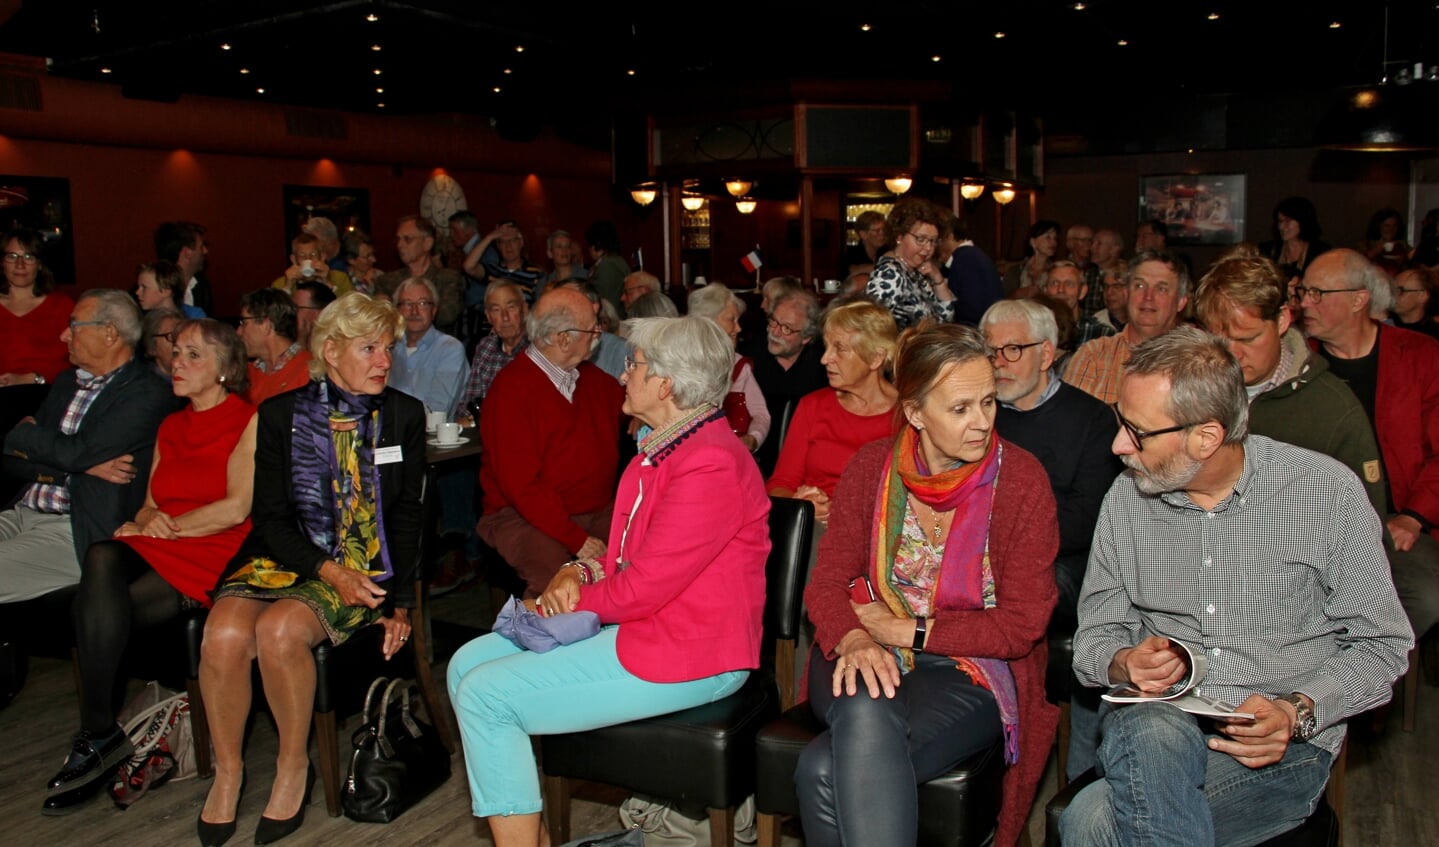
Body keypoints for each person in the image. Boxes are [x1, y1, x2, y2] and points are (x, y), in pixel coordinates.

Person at [1060, 327, 1413, 846]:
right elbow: (1094, 636)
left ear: (1206, 437)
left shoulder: (1324, 493)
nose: (1119, 446)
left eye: (1138, 432)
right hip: (1156, 728)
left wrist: (1297, 710)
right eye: (1121, 421)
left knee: (1090, 821)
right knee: (1149, 730)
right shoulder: (1126, 499)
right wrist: (1123, 661)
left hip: (1277, 743)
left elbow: (1383, 644)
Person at [447, 315, 769, 847]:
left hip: (695, 653)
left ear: (666, 384)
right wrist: (575, 571)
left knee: (486, 695)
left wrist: (557, 606)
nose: (622, 374)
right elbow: (620, 559)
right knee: (465, 664)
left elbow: (641, 588)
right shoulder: (660, 450)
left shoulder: (709, 462)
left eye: (634, 364)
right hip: (652, 630)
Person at [797, 321, 1058, 847]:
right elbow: (826, 582)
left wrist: (900, 630)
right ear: (915, 412)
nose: (982, 422)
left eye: (989, 402)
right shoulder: (872, 469)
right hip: (858, 645)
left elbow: (1020, 627)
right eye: (960, 409)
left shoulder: (1022, 481)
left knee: (821, 770)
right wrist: (854, 637)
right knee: (868, 699)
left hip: (972, 670)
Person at [198, 293, 424, 846]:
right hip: (287, 556)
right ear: (331, 350)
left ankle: (292, 765)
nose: (384, 361)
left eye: (388, 348)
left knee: (278, 632)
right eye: (369, 348)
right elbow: (271, 521)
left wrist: (398, 604)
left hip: (361, 564)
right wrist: (326, 569)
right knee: (223, 633)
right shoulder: (280, 417)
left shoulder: (402, 414)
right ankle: (228, 774)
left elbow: (409, 516)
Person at [46, 320, 256, 814]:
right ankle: (100, 732)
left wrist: (164, 527)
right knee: (102, 556)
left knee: (97, 604)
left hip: (214, 546)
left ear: (225, 369)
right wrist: (146, 522)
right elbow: (147, 503)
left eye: (192, 356)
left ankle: (98, 736)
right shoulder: (171, 424)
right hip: (169, 538)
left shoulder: (249, 420)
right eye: (175, 353)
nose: (176, 363)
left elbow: (236, 508)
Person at [0, 289, 173, 605]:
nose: (64, 335)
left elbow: (71, 451)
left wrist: (27, 434)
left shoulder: (146, 394)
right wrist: (75, 467)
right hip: (21, 511)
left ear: (109, 334)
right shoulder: (67, 383)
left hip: (72, 528)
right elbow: (11, 457)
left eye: (74, 325)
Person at [1300, 249, 1439, 639]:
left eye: (1317, 293)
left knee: (1426, 597)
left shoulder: (1419, 355)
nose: (1304, 303)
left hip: (1398, 522)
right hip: (1311, 528)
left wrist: (1413, 516)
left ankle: (1362, 678)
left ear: (1359, 299)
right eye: (1304, 292)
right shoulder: (1296, 362)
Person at [477, 287, 625, 597]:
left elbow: (633, 405)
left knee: (639, 552)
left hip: (594, 509)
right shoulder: (511, 391)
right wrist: (576, 539)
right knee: (558, 580)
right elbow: (522, 489)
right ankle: (543, 640)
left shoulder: (596, 382)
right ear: (564, 338)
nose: (600, 331)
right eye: (593, 326)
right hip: (520, 515)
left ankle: (621, 641)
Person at [768, 301, 898, 525]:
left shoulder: (909, 415)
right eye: (827, 347)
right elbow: (779, 484)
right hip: (818, 532)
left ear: (875, 358)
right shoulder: (814, 406)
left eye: (839, 349)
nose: (825, 358)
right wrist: (803, 505)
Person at [1063, 250, 1189, 404]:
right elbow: (1071, 424)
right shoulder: (1093, 356)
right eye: (1140, 285)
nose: (1148, 297)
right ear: (1127, 294)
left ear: (1181, 302)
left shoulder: (1196, 364)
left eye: (1161, 288)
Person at [0, 228, 73, 427]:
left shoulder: (62, 306)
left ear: (39, 264)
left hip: (47, 397)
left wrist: (34, 378)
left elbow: (76, 359)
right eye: (12, 256)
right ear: (2, 262)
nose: (20, 264)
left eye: (28, 256)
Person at [688, 282, 770, 452]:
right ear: (708, 322)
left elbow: (761, 414)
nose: (738, 328)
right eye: (732, 320)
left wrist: (753, 438)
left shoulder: (739, 365)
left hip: (731, 455)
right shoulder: (679, 363)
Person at [863, 197, 957, 329]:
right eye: (921, 239)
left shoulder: (917, 271)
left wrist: (938, 280)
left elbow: (946, 318)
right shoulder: (890, 274)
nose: (928, 248)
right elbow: (870, 328)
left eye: (932, 241)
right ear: (899, 237)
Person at [376, 215, 465, 333]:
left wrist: (397, 311)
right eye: (398, 239)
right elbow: (380, 319)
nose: (399, 245)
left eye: (407, 239)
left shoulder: (448, 279)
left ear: (427, 243)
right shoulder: (387, 281)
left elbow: (446, 316)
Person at [458, 280, 530, 418]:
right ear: (488, 317)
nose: (505, 317)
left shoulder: (541, 349)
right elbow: (469, 405)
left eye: (511, 307)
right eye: (496, 310)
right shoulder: (485, 348)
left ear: (524, 310)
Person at [236, 289, 311, 406]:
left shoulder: (310, 371)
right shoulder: (245, 373)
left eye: (243, 323)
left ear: (266, 326)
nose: (239, 332)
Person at [1259, 196, 1330, 285]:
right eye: (1280, 221)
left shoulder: (1322, 254)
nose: (1281, 227)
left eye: (1288, 221)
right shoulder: (1266, 251)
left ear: (1303, 222)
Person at [270, 232, 353, 296]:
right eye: (302, 256)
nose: (308, 259)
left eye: (313, 255)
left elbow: (351, 311)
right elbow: (274, 315)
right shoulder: (280, 284)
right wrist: (287, 287)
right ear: (294, 259)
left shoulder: (340, 279)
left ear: (322, 257)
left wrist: (328, 283)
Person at [1003, 220, 1060, 299]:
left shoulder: (1056, 271)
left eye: (1055, 238)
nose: (1053, 242)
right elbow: (1002, 302)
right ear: (1033, 242)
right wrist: (1018, 294)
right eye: (1048, 237)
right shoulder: (1016, 271)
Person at [584, 220, 629, 316]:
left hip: (612, 320)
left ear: (595, 244)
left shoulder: (606, 265)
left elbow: (605, 301)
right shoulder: (617, 261)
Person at [135, 260, 204, 317]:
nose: (137, 292)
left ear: (166, 291)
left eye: (144, 287)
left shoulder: (193, 317)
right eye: (138, 287)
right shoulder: (142, 320)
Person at [1391, 265, 1439, 341]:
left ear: (1422, 296)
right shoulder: (1383, 326)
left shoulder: (1433, 336)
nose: (1393, 296)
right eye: (1392, 290)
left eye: (1400, 291)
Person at [1360, 207, 1410, 278]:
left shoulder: (1402, 245)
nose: (1391, 229)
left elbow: (1411, 266)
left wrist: (1403, 262)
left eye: (1394, 225)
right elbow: (1358, 264)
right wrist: (1375, 251)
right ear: (1378, 227)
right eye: (1387, 226)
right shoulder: (1366, 244)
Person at [291, 280, 336, 348]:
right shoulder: (288, 338)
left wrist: (301, 342)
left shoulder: (335, 345)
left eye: (296, 308)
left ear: (320, 313)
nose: (291, 313)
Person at [141, 306, 183, 378]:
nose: (181, 341)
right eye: (172, 336)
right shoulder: (144, 385)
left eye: (183, 334)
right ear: (152, 348)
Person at [844, 210, 889, 275]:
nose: (882, 233)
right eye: (877, 230)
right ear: (863, 234)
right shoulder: (852, 255)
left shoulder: (886, 250)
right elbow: (853, 271)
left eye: (884, 229)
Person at [335, 230, 380, 295]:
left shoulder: (380, 276)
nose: (374, 260)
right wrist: (368, 285)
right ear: (351, 260)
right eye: (367, 256)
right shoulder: (342, 283)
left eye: (373, 254)